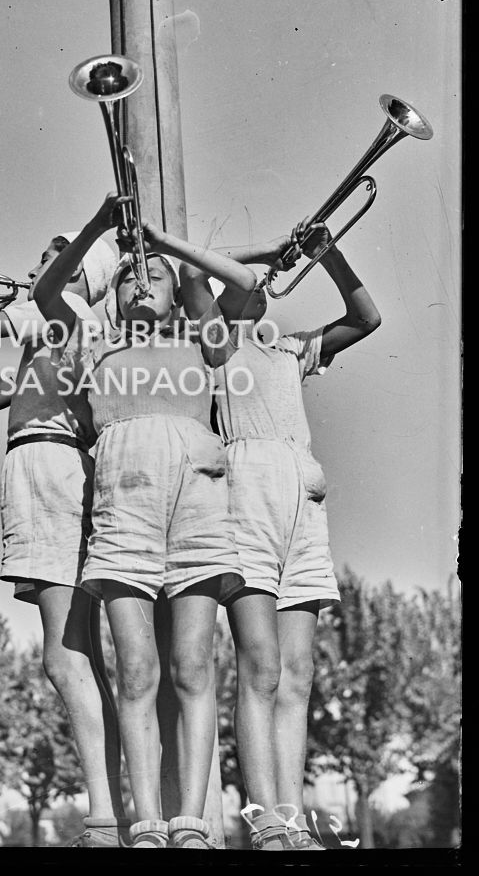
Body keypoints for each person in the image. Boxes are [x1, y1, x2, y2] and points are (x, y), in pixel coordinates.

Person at [32, 191, 259, 849]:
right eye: (129, 273)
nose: (141, 280)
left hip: (198, 503)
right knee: (136, 670)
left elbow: (243, 284)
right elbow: (50, 291)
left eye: (153, 274)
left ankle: (190, 819)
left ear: (177, 290)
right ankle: (147, 823)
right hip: (122, 502)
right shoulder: (91, 337)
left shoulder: (202, 337)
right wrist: (100, 233)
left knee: (192, 666)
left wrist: (169, 250)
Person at [179, 219, 382, 850]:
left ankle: (292, 826)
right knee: (260, 666)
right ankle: (265, 819)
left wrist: (330, 255)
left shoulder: (293, 348)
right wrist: (269, 249)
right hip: (248, 491)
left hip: (303, 495)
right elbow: (191, 272)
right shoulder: (212, 342)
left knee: (297, 673)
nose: (261, 283)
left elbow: (365, 317)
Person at [0, 231, 133, 848]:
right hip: (39, 462)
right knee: (78, 655)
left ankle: (105, 817)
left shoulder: (59, 310)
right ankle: (111, 812)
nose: (33, 266)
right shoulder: (47, 320)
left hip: (48, 466)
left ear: (78, 274)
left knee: (64, 656)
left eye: (48, 259)